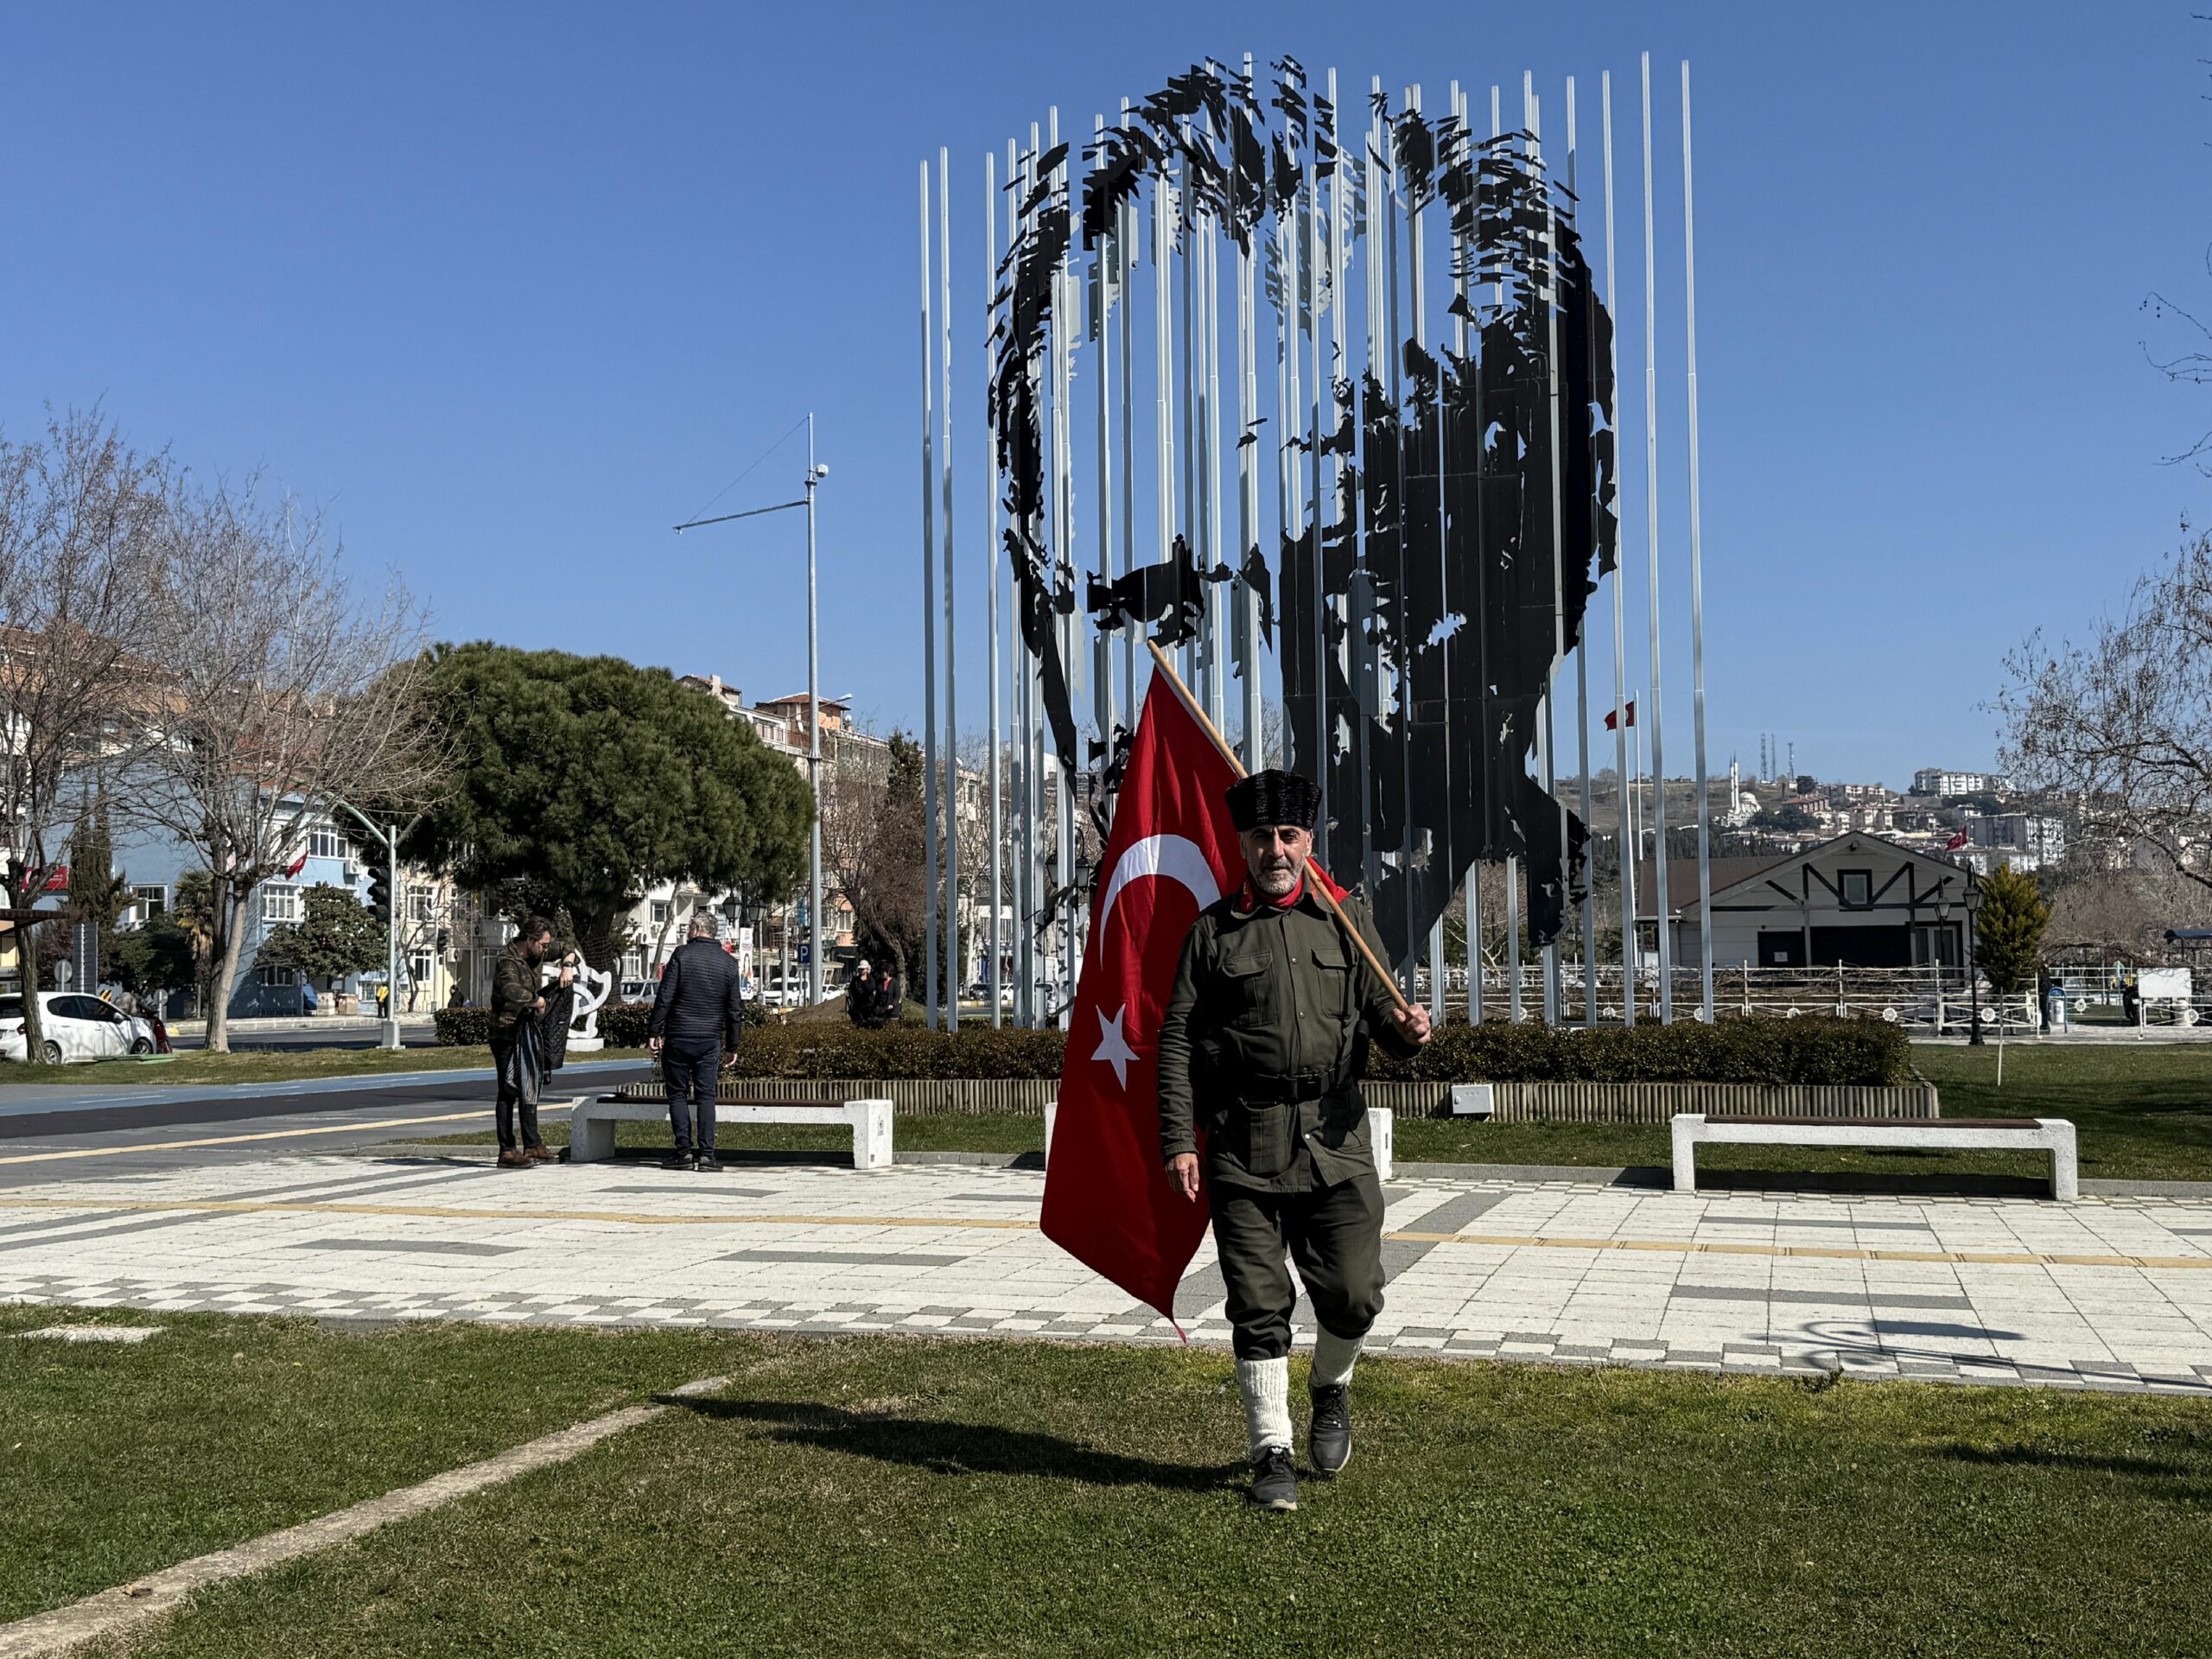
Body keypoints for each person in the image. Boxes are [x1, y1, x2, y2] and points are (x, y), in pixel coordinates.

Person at [1157, 767, 1433, 1513]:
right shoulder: (1212, 933)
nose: (1275, 849)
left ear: (1308, 841)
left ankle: (1330, 1387)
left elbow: (1382, 1010)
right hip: (1244, 1147)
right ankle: (1270, 1450)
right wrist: (1179, 1137)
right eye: (1261, 837)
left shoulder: (1347, 918)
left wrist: (1409, 1034)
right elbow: (1177, 1038)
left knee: (1353, 1294)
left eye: (1288, 835)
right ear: (1242, 843)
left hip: (1335, 1143)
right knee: (1257, 1302)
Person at [649, 912, 746, 1171]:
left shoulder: (681, 955)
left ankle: (682, 1153)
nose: (687, 931)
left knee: (678, 1094)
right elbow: (735, 1009)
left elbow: (665, 997)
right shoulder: (728, 963)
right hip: (710, 1039)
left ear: (696, 928)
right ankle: (706, 1155)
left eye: (690, 926)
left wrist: (654, 1031)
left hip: (680, 1036)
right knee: (706, 1096)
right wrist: (732, 1045)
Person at [491, 918, 573, 1170]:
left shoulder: (539, 952)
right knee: (509, 1089)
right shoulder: (507, 961)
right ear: (530, 940)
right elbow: (511, 991)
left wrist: (567, 965)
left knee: (530, 1086)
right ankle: (506, 1150)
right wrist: (536, 1001)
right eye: (543, 945)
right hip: (506, 1032)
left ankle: (533, 1143)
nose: (547, 950)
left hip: (527, 1030)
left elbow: (567, 948)